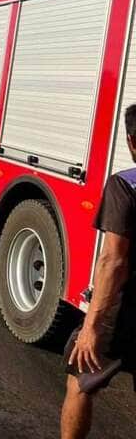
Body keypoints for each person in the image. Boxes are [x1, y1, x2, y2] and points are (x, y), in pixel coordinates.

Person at [60, 103, 136, 438]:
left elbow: (113, 262)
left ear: (132, 142)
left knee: (81, 378)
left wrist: (91, 325)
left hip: (126, 311)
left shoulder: (126, 185)